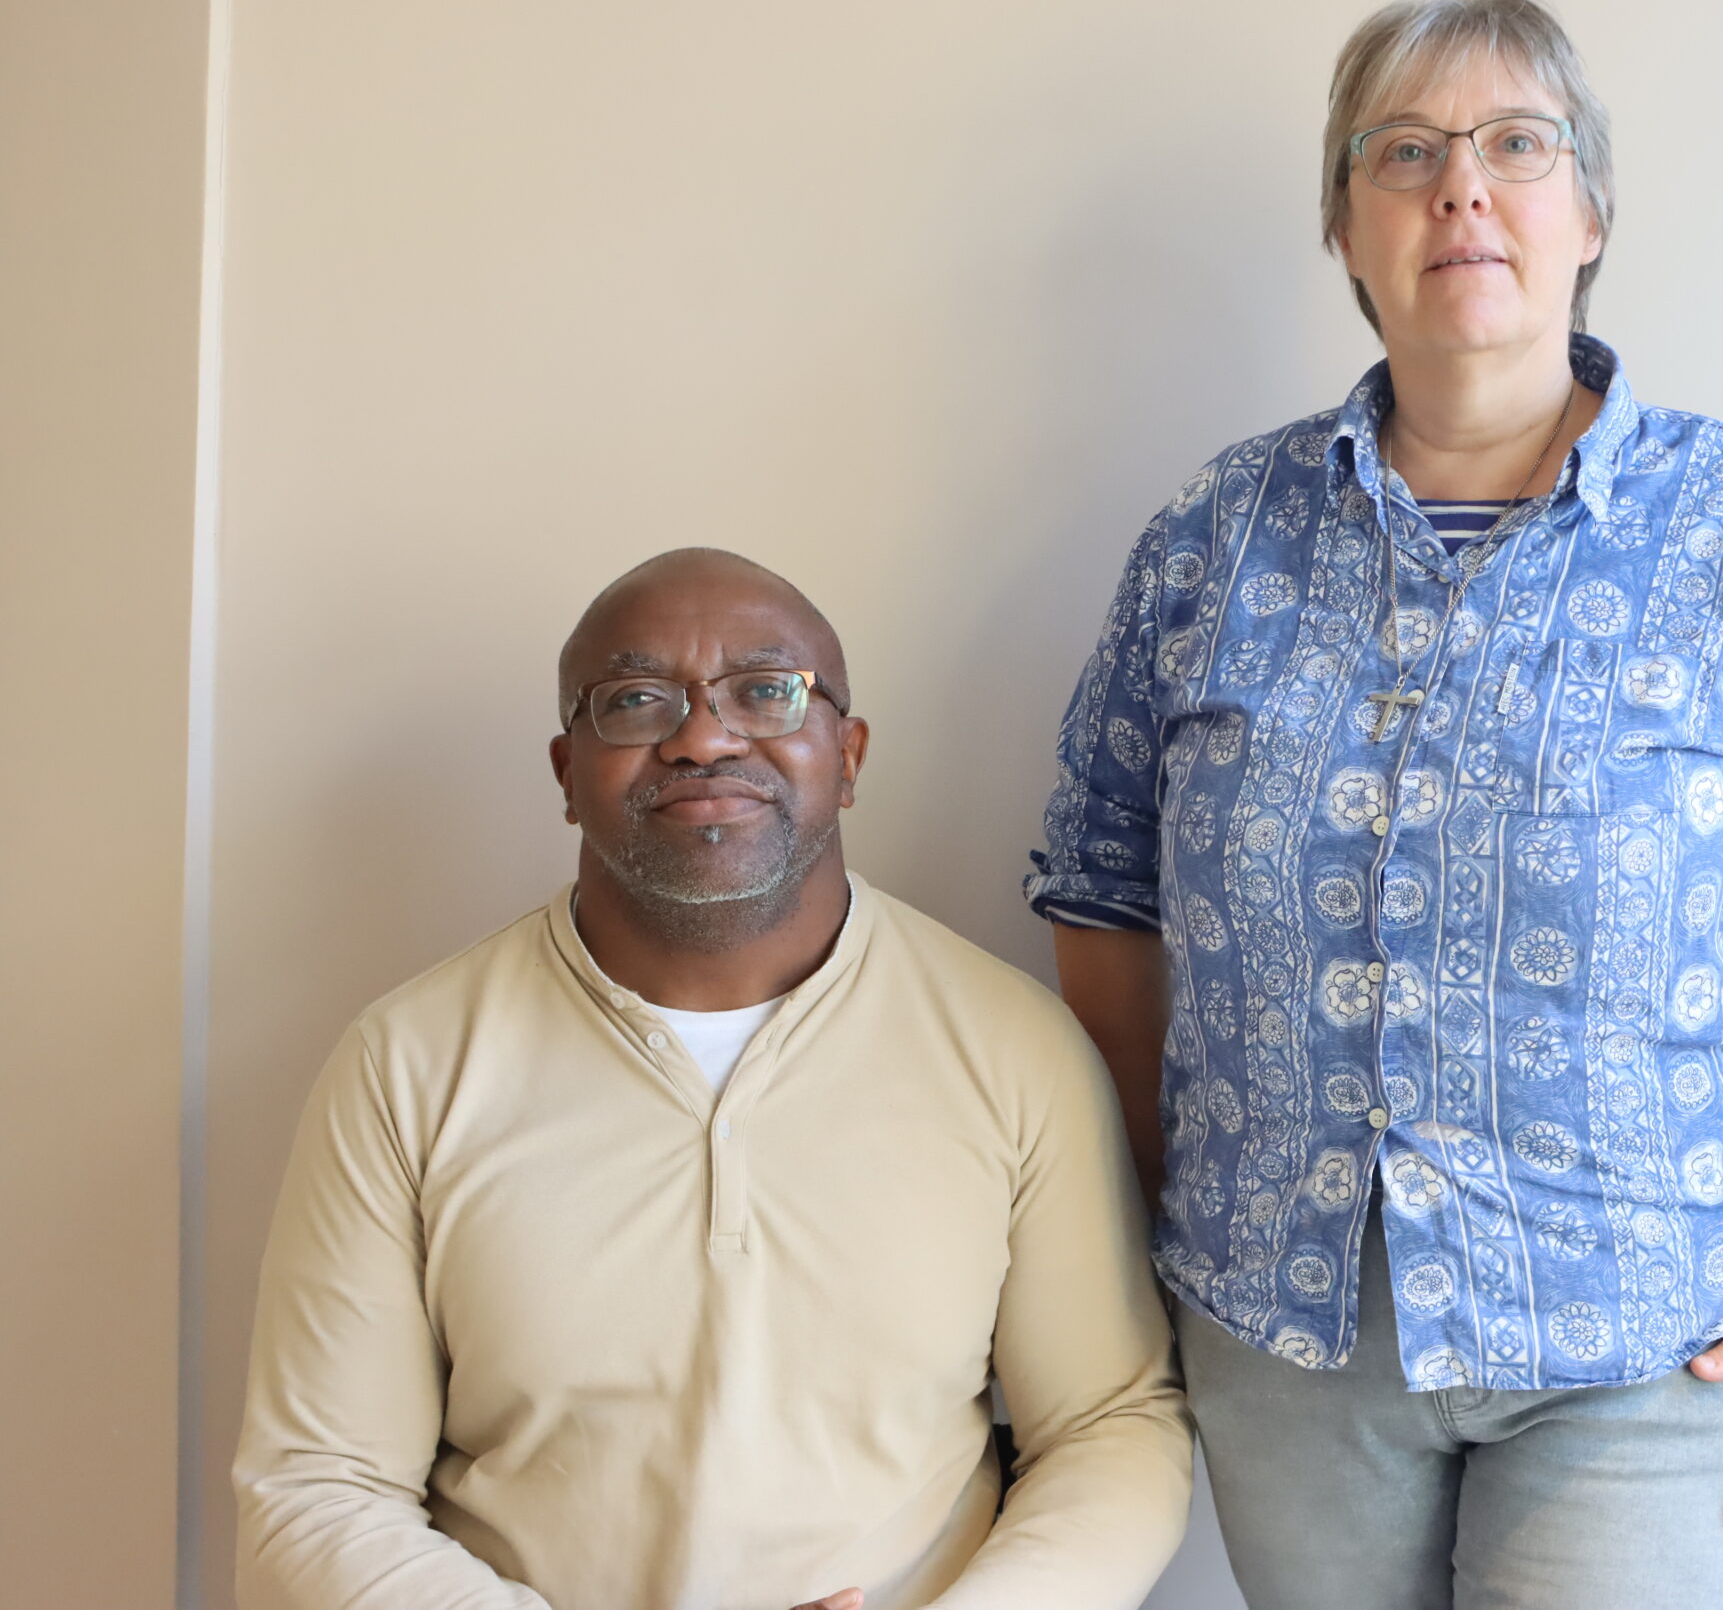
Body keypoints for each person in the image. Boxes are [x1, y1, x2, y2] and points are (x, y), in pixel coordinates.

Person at [1028, 0, 1723, 1609]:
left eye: (1514, 145)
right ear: (1345, 226)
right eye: (1403, 152)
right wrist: (1177, 1183)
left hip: (1657, 1335)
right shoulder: (1217, 538)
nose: (1460, 187)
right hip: (1293, 1331)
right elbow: (1101, 876)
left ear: (1592, 209)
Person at [235, 548, 1192, 1610]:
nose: (701, 736)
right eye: (636, 700)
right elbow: (317, 1483)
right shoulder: (408, 1065)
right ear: (565, 773)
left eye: (766, 691)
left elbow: (1112, 1424)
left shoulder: (1013, 1048)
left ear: (849, 753)